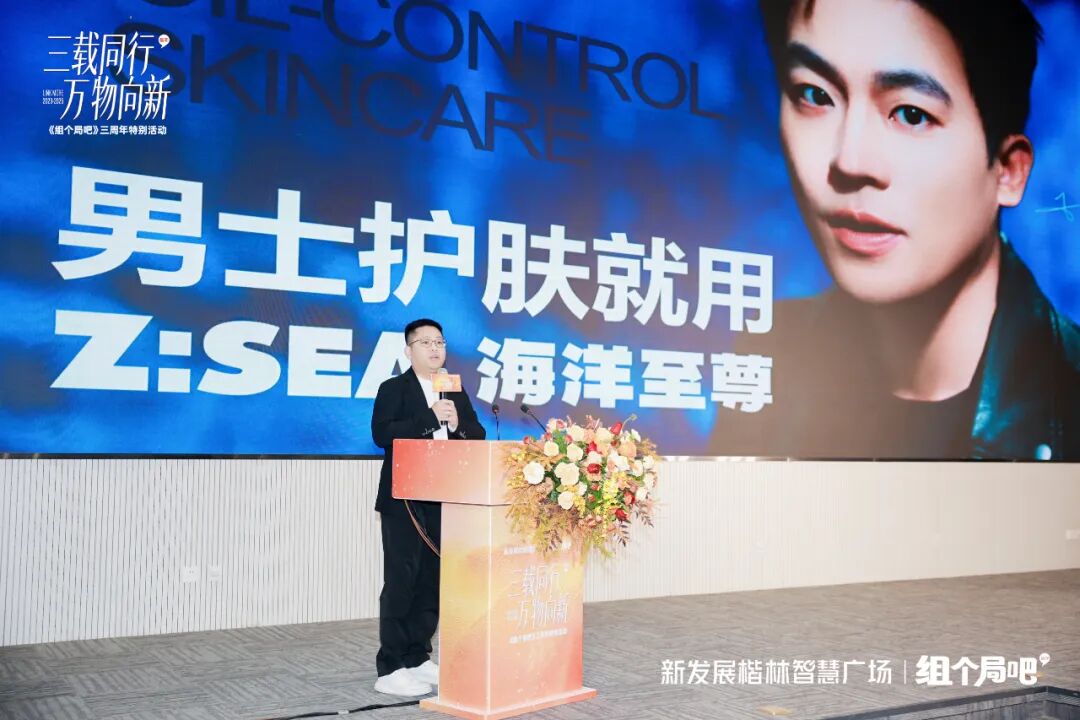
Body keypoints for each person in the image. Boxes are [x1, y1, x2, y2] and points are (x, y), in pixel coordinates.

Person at [723, 0, 1080, 459]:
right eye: (815, 95)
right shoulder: (767, 353)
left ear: (1008, 171)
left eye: (911, 114)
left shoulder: (1067, 393)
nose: (850, 161)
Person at [370, 318, 486, 696]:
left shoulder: (454, 390)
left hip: (444, 496)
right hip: (404, 500)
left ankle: (417, 657)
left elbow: (477, 435)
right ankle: (390, 666)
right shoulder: (393, 388)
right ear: (409, 350)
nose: (435, 348)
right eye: (426, 343)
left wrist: (457, 424)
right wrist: (429, 418)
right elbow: (382, 433)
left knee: (432, 581)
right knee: (402, 580)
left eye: (440, 342)